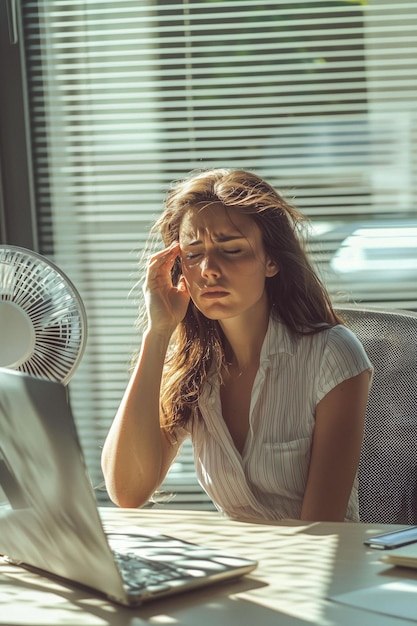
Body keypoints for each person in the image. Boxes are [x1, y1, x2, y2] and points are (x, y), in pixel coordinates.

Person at [101, 168, 372, 523]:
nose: (209, 269)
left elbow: (321, 528)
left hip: (312, 567)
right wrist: (158, 332)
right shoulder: (190, 368)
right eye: (193, 254)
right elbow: (127, 491)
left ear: (271, 260)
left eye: (231, 250)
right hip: (237, 565)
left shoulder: (331, 355)